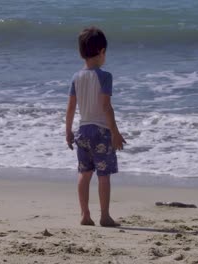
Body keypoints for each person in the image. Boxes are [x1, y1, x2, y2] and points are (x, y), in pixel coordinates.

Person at [65, 27, 126, 227]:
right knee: (103, 175)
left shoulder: (76, 77)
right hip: (101, 132)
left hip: (82, 131)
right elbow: (106, 107)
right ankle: (105, 216)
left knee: (84, 173)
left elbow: (71, 108)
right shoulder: (105, 76)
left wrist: (68, 131)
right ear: (101, 51)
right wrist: (115, 133)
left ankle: (84, 214)